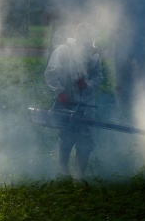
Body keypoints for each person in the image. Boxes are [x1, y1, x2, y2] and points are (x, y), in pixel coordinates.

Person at [44, 23, 104, 177]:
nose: (87, 39)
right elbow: (51, 72)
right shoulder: (64, 51)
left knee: (86, 141)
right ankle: (63, 171)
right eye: (85, 36)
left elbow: (98, 77)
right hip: (66, 102)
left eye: (90, 36)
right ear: (79, 36)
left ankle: (79, 176)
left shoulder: (95, 56)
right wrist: (60, 92)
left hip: (87, 105)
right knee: (66, 137)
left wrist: (88, 85)